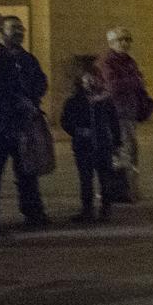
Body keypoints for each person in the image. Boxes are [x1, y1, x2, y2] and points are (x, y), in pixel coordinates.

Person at [0, 15, 50, 232]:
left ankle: (33, 211)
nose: (18, 32)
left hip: (21, 123)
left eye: (21, 28)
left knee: (27, 171)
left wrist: (29, 98)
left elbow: (41, 83)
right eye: (12, 28)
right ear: (0, 32)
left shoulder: (27, 59)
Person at [61, 60, 125, 223]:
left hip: (103, 144)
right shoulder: (74, 101)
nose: (90, 81)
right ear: (81, 80)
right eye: (86, 78)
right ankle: (87, 210)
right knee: (85, 178)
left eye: (93, 77)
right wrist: (77, 130)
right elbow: (65, 120)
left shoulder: (104, 100)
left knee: (105, 177)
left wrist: (117, 144)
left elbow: (114, 122)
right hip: (83, 146)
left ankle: (106, 209)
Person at [96, 27, 153, 202]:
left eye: (128, 39)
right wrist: (135, 81)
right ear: (111, 43)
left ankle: (126, 188)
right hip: (116, 112)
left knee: (129, 149)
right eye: (121, 40)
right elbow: (113, 86)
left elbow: (139, 83)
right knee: (123, 150)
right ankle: (119, 190)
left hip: (129, 111)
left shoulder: (129, 60)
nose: (125, 43)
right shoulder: (107, 62)